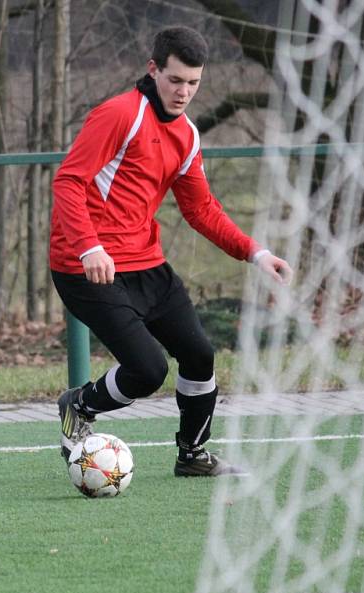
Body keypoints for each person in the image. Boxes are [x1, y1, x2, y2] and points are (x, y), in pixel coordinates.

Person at [50, 26, 293, 476]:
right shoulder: (119, 114)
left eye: (193, 83)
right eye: (175, 79)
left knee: (199, 354)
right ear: (153, 70)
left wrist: (255, 253)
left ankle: (192, 455)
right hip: (84, 266)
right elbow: (68, 181)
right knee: (146, 370)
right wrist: (89, 248)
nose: (184, 92)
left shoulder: (187, 135)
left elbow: (201, 210)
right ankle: (78, 407)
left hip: (146, 264)